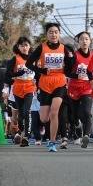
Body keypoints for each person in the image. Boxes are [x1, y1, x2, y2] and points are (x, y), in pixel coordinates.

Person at [26, 22, 75, 153]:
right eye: (51, 32)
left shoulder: (64, 49)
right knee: (44, 118)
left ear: (59, 34)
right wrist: (41, 70)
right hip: (45, 83)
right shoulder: (41, 48)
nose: (53, 34)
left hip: (59, 82)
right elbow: (28, 63)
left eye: (56, 32)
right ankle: (48, 128)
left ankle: (52, 142)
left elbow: (71, 66)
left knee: (54, 112)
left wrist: (69, 64)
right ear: (47, 34)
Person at [4, 37, 35, 147]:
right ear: (18, 47)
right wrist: (18, 73)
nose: (24, 47)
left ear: (29, 46)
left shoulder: (34, 59)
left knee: (26, 111)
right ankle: (20, 132)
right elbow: (7, 75)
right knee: (21, 114)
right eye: (22, 45)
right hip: (17, 89)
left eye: (26, 45)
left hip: (30, 88)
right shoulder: (14, 59)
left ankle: (26, 136)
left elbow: (40, 72)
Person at [67, 31, 93, 148]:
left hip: (87, 88)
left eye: (86, 39)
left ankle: (86, 136)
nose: (84, 41)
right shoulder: (74, 56)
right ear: (78, 42)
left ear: (90, 41)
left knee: (87, 113)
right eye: (82, 39)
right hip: (74, 88)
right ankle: (77, 129)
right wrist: (76, 76)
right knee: (74, 116)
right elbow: (66, 71)